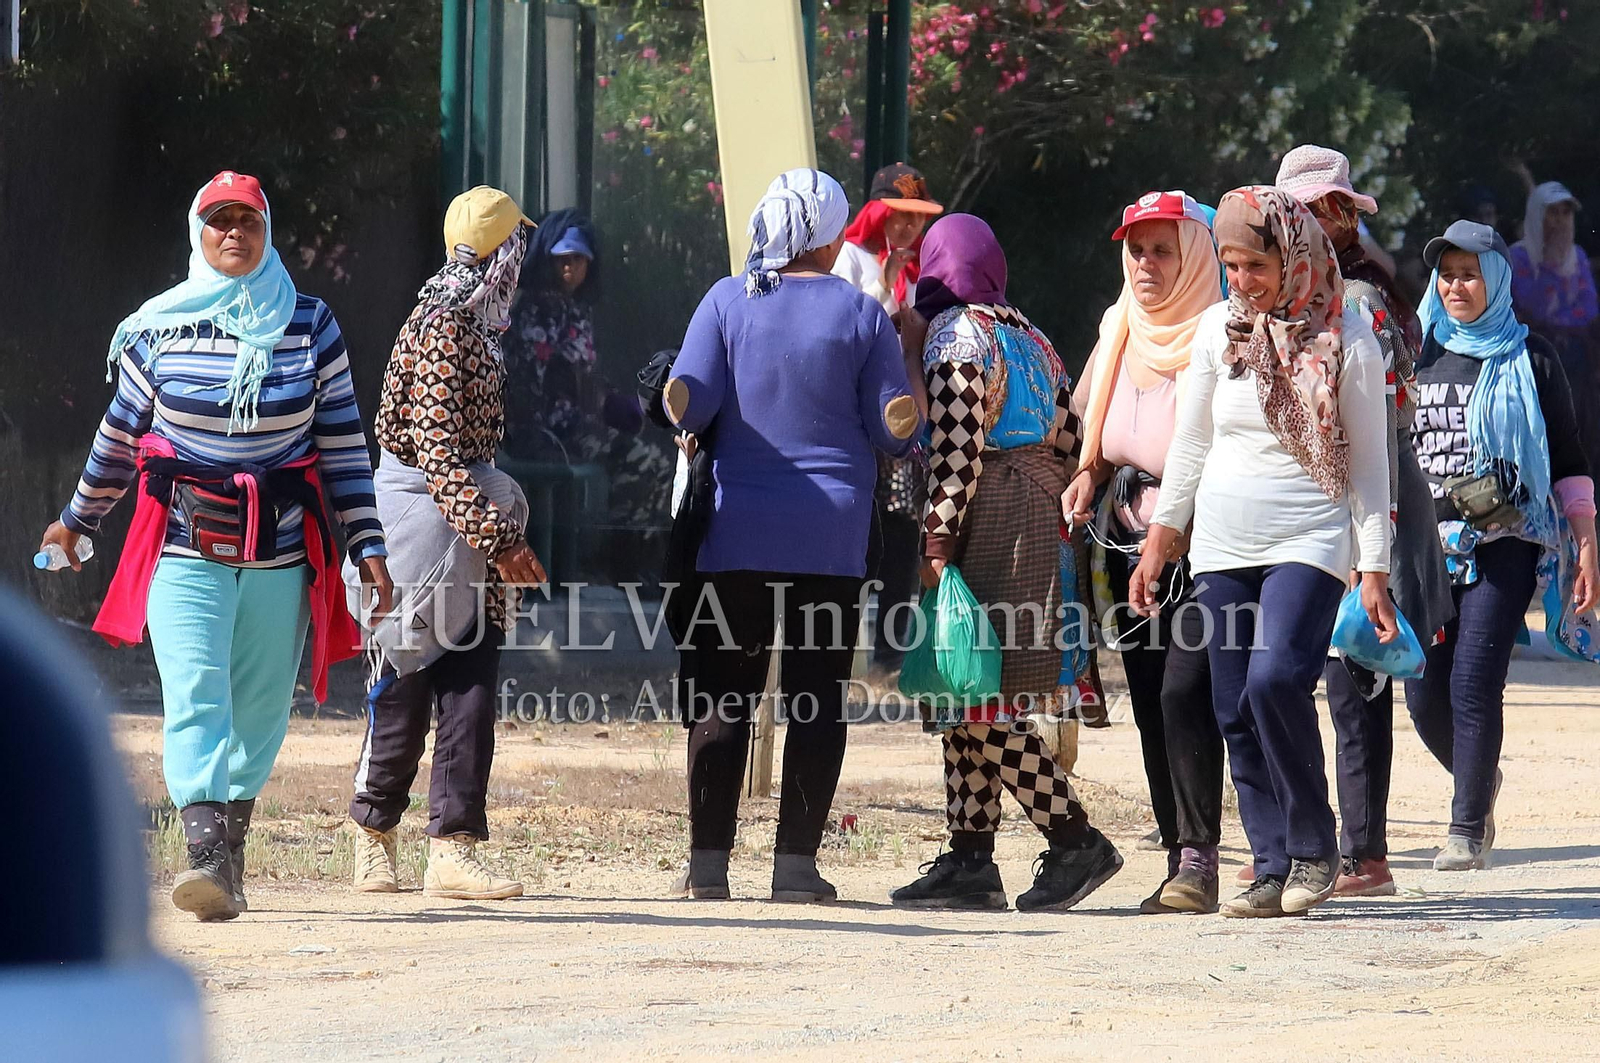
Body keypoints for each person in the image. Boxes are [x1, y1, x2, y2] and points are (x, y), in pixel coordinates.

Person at [39, 170, 392, 921]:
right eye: (219, 219)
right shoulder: (159, 327)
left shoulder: (309, 323)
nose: (234, 231)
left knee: (261, 709)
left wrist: (368, 543)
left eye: (248, 219)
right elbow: (118, 435)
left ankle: (228, 860)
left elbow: (342, 445)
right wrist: (76, 520)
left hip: (281, 553)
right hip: (184, 547)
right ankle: (204, 858)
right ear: (197, 235)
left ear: (268, 233)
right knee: (196, 694)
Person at [665, 168, 926, 903]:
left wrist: (682, 393)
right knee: (816, 697)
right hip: (831, 537)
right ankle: (795, 869)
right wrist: (906, 394)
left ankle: (708, 867)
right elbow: (890, 426)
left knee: (723, 696)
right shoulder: (861, 312)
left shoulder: (725, 298)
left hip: (737, 531)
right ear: (835, 234)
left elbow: (690, 403)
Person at [1133, 186, 1395, 918]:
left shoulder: (1349, 336)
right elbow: (1192, 442)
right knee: (1231, 704)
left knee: (1274, 682)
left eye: (1256, 265)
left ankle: (1317, 847)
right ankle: (1270, 862)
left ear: (1294, 254)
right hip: (1221, 544)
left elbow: (1372, 468)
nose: (1241, 282)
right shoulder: (1219, 329)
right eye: (1231, 265)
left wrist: (1372, 565)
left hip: (1309, 538)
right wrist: (1163, 537)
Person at [888, 214, 1124, 913]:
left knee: (980, 692)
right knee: (967, 686)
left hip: (994, 515)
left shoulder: (955, 334)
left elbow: (956, 451)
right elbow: (1073, 430)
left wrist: (935, 540)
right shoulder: (1027, 333)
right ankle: (970, 858)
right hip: (1042, 516)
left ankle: (1075, 836)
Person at [347, 186, 545, 900]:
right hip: (422, 526)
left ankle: (453, 847)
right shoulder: (442, 325)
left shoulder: (477, 323)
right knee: (403, 683)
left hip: (467, 523)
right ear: (499, 253)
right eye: (515, 245)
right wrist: (500, 538)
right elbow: (435, 452)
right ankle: (371, 834)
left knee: (471, 687)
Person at [1276, 145, 1455, 898]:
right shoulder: (1263, 300)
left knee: (1355, 675)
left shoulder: (1364, 300)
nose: (1317, 226)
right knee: (1283, 673)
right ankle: (1300, 841)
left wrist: (1368, 538)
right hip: (1297, 501)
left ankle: (1365, 853)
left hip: (1367, 497)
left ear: (1345, 218)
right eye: (1302, 214)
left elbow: (1378, 422)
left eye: (1328, 211)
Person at [1407, 220, 1599, 870]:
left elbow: (1570, 457)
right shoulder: (1417, 351)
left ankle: (1465, 825)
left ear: (1495, 278)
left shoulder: (1531, 356)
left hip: (1507, 539)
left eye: (1469, 272)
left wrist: (1586, 542)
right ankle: (1478, 780)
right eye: (1448, 272)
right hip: (1428, 546)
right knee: (1423, 689)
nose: (1456, 285)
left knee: (1473, 680)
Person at [1063, 190, 1226, 914]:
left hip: (1208, 540)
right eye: (1136, 249)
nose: (1147, 263)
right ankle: (1177, 856)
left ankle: (1204, 855)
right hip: (1127, 542)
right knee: (1152, 702)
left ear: (1193, 255)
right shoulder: (1120, 325)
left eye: (1163, 249)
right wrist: (1085, 478)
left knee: (1187, 691)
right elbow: (1097, 431)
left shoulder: (1223, 333)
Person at [831, 163, 944, 679]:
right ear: (876, 212)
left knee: (902, 535)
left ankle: (891, 655)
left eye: (917, 218)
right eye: (898, 216)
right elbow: (844, 329)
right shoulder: (847, 260)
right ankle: (834, 651)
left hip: (899, 424)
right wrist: (888, 285)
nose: (907, 228)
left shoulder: (923, 269)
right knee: (851, 534)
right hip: (850, 422)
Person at [1509, 182, 1600, 476]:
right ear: (1537, 216)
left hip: (1574, 358)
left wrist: (1561, 321)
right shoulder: (1518, 257)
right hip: (1532, 357)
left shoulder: (1578, 258)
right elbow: (1530, 305)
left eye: (1566, 213)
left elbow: (1587, 308)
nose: (1561, 221)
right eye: (1553, 213)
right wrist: (1550, 267)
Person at [501, 209, 602, 461]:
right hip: (548, 436)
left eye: (577, 258)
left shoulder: (575, 309)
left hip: (576, 429)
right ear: (548, 261)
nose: (570, 266)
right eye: (562, 258)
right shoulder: (539, 309)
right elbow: (529, 382)